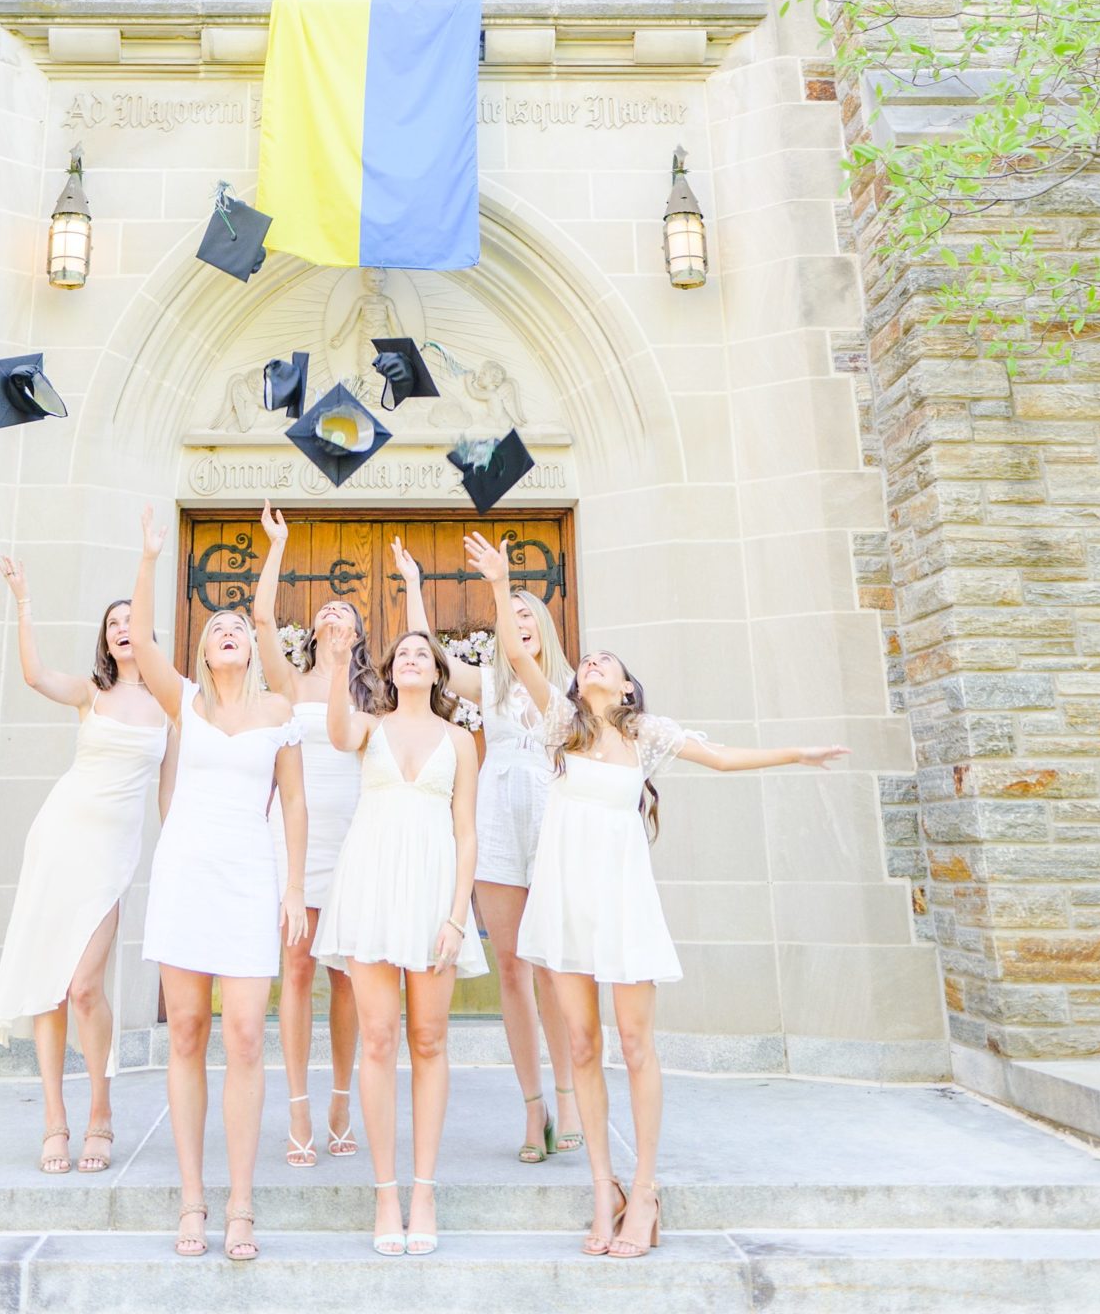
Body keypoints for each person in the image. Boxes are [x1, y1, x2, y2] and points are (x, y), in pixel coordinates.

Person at [467, 530, 848, 1261]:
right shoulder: (557, 726)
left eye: (603, 661)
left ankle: (644, 1189)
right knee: (581, 1043)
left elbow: (724, 757)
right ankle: (601, 1189)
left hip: (620, 900)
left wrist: (798, 752)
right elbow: (518, 656)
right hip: (564, 899)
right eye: (585, 662)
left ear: (627, 687)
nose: (591, 663)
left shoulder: (645, 735)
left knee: (635, 1043)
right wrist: (501, 581)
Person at [130, 505, 309, 1263]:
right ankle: (193, 1199)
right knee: (188, 1035)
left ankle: (240, 1202)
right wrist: (146, 560)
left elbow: (295, 801)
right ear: (203, 654)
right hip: (185, 876)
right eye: (217, 628)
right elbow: (139, 642)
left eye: (238, 626)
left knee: (242, 1035)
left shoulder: (278, 709)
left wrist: (294, 888)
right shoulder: (186, 704)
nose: (230, 630)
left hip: (247, 877)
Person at [394, 533, 582, 1162]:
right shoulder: (490, 687)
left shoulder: (574, 685)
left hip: (554, 822)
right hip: (499, 824)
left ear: (544, 629)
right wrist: (415, 588)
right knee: (512, 968)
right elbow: (434, 659)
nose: (519, 624)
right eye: (512, 616)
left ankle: (571, 1095)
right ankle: (534, 1110)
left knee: (557, 968)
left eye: (529, 616)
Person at [0, 563, 172, 1175]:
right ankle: (55, 1121)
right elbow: (36, 675)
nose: (121, 627)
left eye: (130, 619)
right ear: (106, 638)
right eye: (112, 622)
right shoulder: (92, 695)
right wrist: (24, 600)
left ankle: (101, 1114)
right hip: (59, 838)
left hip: (109, 857)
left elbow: (168, 798)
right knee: (48, 981)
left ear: (145, 632)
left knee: (84, 986)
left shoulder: (171, 706)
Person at [312, 618, 484, 1257]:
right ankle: (385, 1192)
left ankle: (423, 1190)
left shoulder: (461, 741)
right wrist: (335, 666)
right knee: (378, 1039)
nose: (412, 658)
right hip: (371, 891)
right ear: (388, 671)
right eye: (401, 653)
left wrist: (457, 914)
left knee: (429, 1039)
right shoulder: (369, 725)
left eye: (423, 653)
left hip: (435, 896)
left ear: (438, 672)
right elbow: (334, 734)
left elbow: (466, 832)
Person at [254, 503, 381, 1168]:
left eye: (345, 615)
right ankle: (299, 1108)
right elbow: (259, 620)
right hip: (296, 841)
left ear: (358, 636)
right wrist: (276, 546)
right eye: (325, 613)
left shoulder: (375, 692)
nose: (333, 617)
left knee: (350, 978)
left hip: (355, 840)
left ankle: (340, 1098)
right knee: (297, 968)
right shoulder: (288, 681)